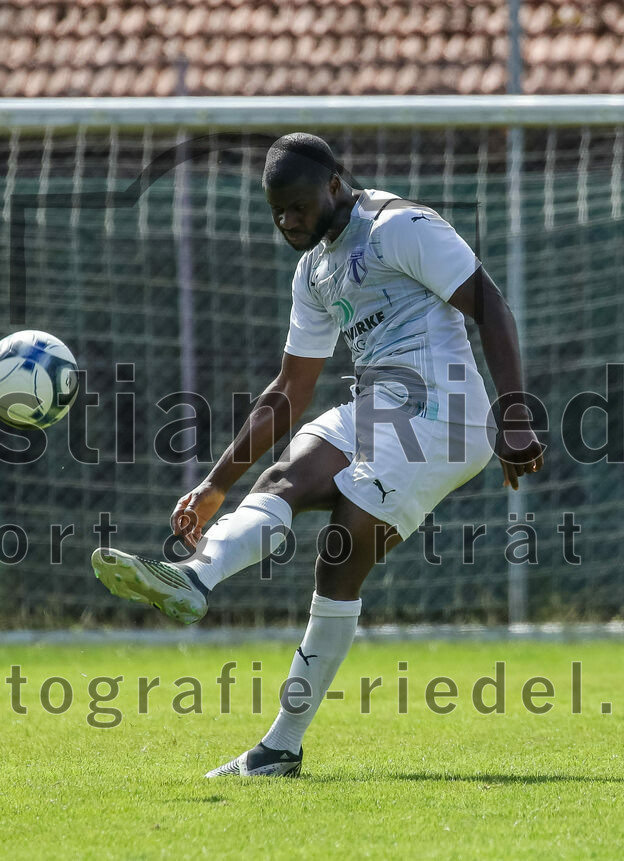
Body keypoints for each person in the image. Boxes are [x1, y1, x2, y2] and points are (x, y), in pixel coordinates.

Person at [91, 132, 544, 778]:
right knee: (291, 486)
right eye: (278, 213)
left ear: (335, 184)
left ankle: (276, 734)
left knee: (344, 540)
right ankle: (197, 582)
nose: (289, 222)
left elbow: (490, 304)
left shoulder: (403, 227)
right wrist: (216, 483)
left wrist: (516, 412)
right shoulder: (314, 271)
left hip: (447, 416)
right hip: (379, 408)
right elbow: (289, 390)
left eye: (299, 206)